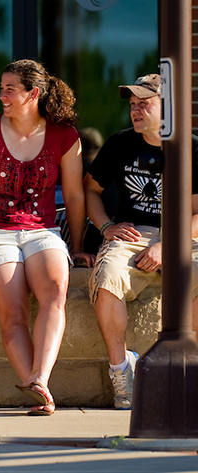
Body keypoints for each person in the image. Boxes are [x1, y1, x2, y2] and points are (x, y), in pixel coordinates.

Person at [0, 59, 92, 416]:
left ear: (34, 94)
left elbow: (74, 196)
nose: (1, 96)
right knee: (12, 313)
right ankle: (39, 387)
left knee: (55, 290)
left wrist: (77, 246)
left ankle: (39, 379)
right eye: (2, 88)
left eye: (9, 89)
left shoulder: (65, 135)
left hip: (41, 231)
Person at [83, 73, 198, 409]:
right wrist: (105, 226)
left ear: (168, 107)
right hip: (133, 233)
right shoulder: (120, 143)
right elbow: (91, 189)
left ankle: (189, 374)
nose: (135, 110)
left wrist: (169, 245)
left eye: (144, 103)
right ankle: (122, 372)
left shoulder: (191, 146)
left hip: (182, 233)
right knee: (106, 281)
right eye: (132, 105)